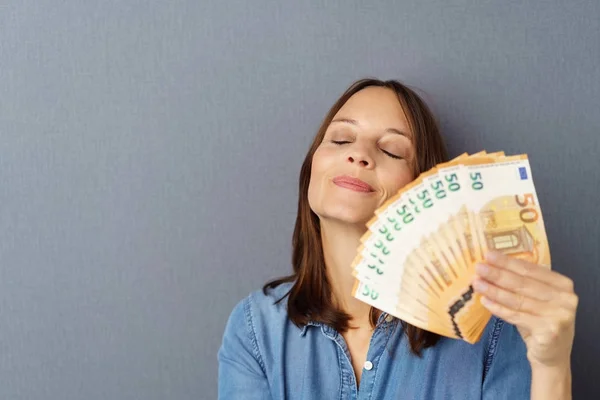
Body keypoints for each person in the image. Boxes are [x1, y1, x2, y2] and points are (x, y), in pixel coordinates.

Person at [217, 78, 578, 399]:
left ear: (425, 189)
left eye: (391, 150)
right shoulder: (255, 326)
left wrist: (552, 368)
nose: (358, 154)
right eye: (341, 138)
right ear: (311, 166)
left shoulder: (492, 326)